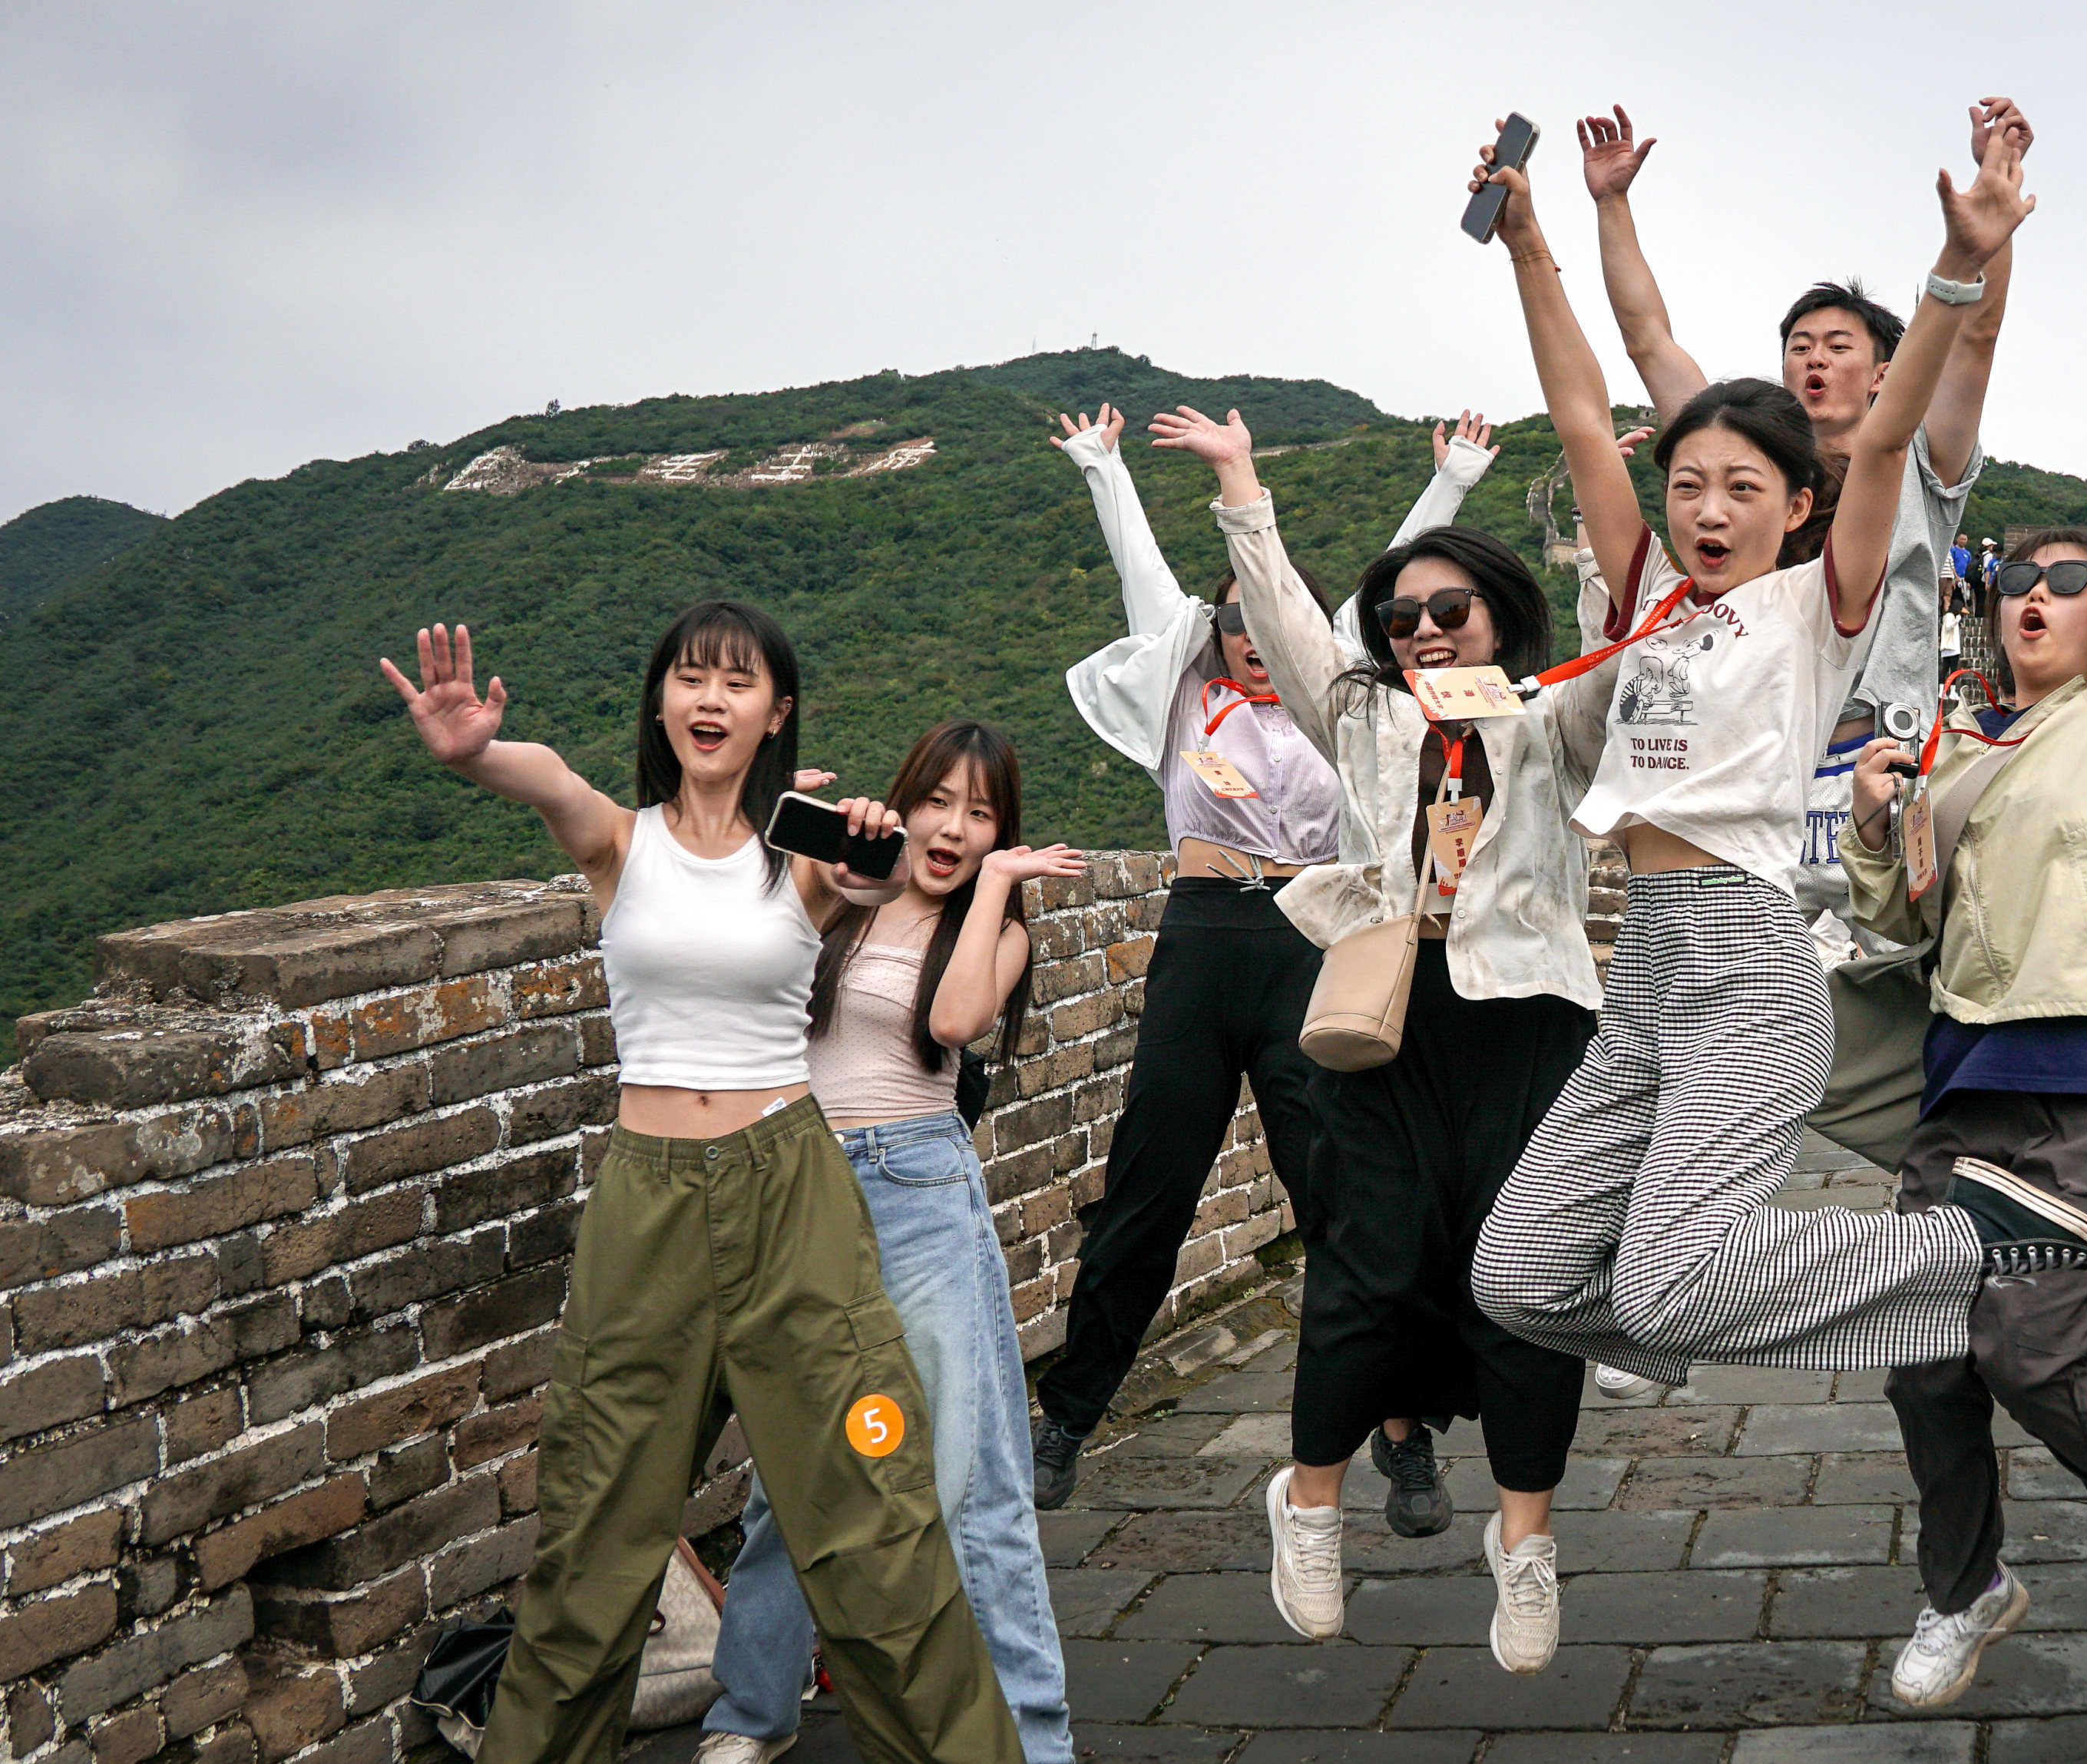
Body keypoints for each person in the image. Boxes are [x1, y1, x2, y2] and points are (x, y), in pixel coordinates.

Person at [1467, 117, 2087, 1388]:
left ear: (1797, 509)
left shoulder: (1817, 610)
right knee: (1520, 1276)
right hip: (1644, 962)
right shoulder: (1648, 595)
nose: (1709, 510)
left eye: (1744, 490)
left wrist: (1955, 267)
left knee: (1664, 1280)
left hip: (1750, 962)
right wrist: (1532, 235)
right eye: (1692, 485)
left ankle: (1976, 1252)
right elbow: (1582, 410)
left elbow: (1883, 444)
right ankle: (1685, 1317)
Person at [377, 607, 1019, 1764]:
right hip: (650, 1202)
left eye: (739, 681)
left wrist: (868, 842)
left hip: (792, 1194)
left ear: (777, 712)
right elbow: (547, 781)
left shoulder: (807, 863)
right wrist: (470, 749)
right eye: (689, 677)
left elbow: (877, 885)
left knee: (873, 1507)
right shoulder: (622, 843)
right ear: (663, 706)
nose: (710, 698)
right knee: (597, 1521)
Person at [1166, 409, 1623, 1674]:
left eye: (1449, 610)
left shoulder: (1550, 715)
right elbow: (1291, 625)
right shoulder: (1365, 716)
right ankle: (1309, 1501)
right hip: (1385, 1021)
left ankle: (1524, 1544)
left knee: (1531, 1285)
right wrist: (1241, 484)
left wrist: (1598, 524)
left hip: (1527, 1022)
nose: (1422, 627)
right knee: (1367, 1265)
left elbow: (1615, 658)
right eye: (1403, 613)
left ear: (1498, 618)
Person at [1841, 269, 2087, 1705]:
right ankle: (1968, 1586)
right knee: (1925, 1357)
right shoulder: (1961, 753)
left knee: (2027, 1339)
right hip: (1966, 1084)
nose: (2033, 599)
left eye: (2068, 582)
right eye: (2016, 583)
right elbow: (1897, 917)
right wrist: (1885, 819)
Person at [1032, 404, 1500, 1514]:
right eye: (1232, 619)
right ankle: (1063, 1420)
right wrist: (1104, 470)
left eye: (1262, 618)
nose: (1251, 632)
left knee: (1338, 1192)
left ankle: (1401, 1428)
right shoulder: (1182, 691)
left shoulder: (1330, 691)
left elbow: (1366, 594)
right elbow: (1146, 579)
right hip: (1201, 939)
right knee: (1150, 1190)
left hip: (1305, 940)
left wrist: (1455, 485)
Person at [700, 722, 1084, 1764]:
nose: (955, 827)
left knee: (971, 1479)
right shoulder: (834, 900)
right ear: (902, 803)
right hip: (802, 1190)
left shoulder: (991, 931)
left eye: (984, 813)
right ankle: (749, 1716)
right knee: (792, 1475)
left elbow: (957, 1019)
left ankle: (1034, 1739)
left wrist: (999, 885)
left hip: (918, 1191)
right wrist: (754, 809)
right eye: (940, 802)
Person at [1574, 100, 2026, 958]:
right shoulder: (1745, 464)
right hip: (1759, 766)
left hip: (1873, 762)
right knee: (1752, 991)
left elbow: (1975, 335)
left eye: (1837, 345)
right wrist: (1611, 205)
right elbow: (1649, 342)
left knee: (1889, 986)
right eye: (1798, 345)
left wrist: (1988, 222)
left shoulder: (1921, 467)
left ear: (1887, 370)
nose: (1812, 359)